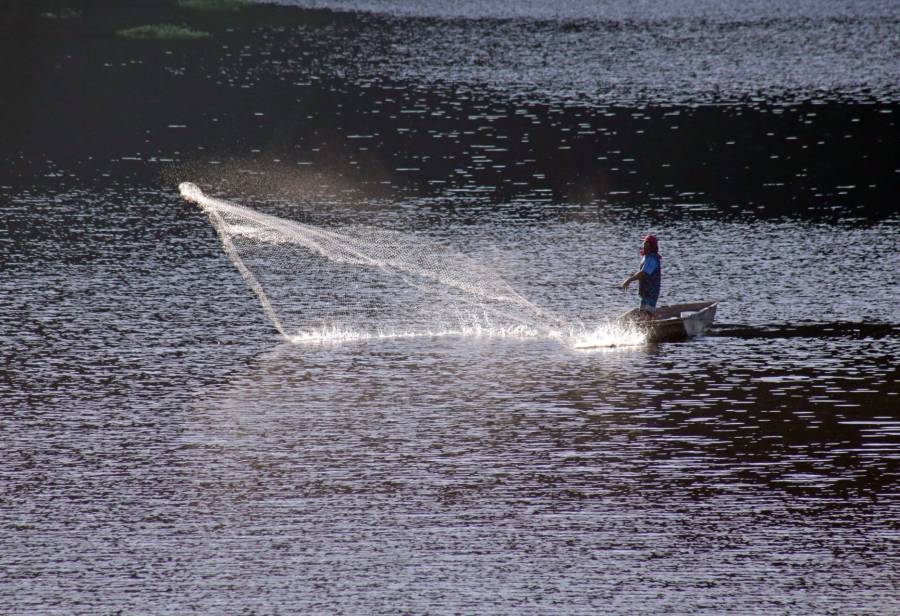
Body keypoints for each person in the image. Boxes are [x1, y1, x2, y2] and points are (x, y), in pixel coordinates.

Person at [621, 234, 661, 314]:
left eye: (647, 244)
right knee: (642, 316)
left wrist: (629, 280)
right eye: (644, 244)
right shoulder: (646, 257)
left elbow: (643, 273)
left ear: (652, 246)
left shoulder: (652, 259)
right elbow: (640, 273)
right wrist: (631, 277)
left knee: (647, 316)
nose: (644, 246)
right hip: (645, 294)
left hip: (651, 294)